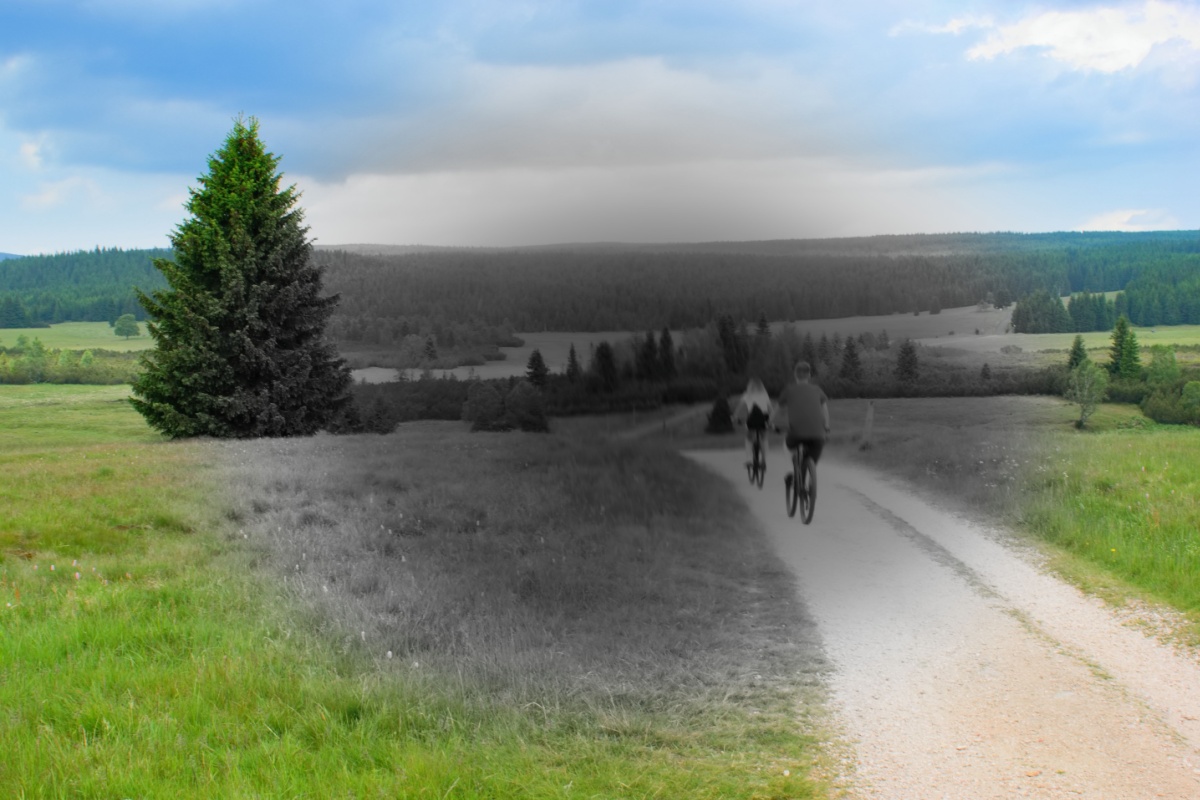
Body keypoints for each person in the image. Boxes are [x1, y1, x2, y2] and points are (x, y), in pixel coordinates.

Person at [775, 361, 829, 490]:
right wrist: (826, 427)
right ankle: (808, 480)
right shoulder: (817, 390)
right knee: (811, 457)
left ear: (795, 375)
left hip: (796, 433)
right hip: (818, 435)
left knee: (787, 446)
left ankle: (792, 470)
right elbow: (825, 409)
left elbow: (777, 410)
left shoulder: (789, 390)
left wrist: (771, 423)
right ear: (809, 375)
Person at [732, 376, 773, 468]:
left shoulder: (747, 395)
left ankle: (749, 460)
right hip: (764, 419)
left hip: (752, 419)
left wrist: (734, 417)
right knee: (764, 438)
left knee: (749, 439)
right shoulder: (765, 395)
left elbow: (739, 409)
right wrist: (771, 420)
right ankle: (764, 460)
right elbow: (770, 409)